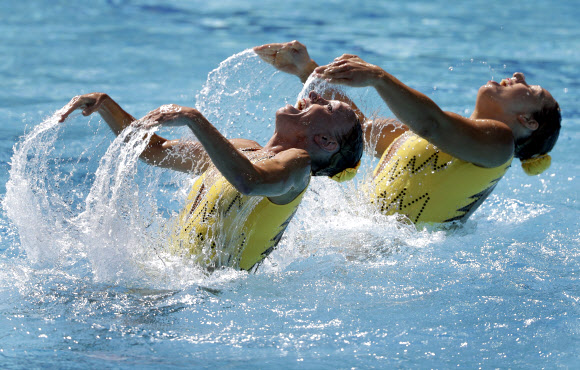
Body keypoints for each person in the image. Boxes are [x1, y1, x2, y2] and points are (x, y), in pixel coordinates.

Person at [254, 41, 561, 224]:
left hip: (385, 257)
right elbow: (362, 129)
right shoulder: (429, 136)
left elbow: (432, 123)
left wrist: (378, 77)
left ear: (528, 121)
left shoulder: (500, 146)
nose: (518, 75)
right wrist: (306, 69)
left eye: (532, 90)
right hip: (362, 239)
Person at [57, 88, 363, 271]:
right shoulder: (241, 149)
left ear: (325, 140)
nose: (314, 95)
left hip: (206, 294)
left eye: (328, 106)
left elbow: (250, 182)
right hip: (169, 275)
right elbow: (154, 151)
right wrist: (105, 104)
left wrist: (193, 118)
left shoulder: (298, 168)